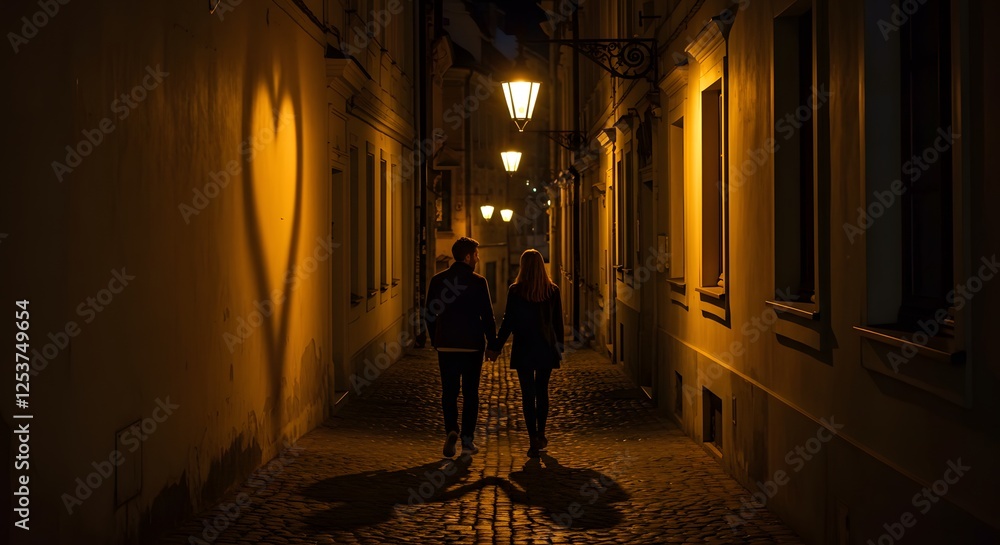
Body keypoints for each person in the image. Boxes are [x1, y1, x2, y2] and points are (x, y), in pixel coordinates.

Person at [486, 249, 564, 458]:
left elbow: (508, 322)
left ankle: (532, 439)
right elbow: (558, 323)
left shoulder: (516, 291)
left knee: (528, 395)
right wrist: (560, 349)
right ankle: (541, 433)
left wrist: (496, 346)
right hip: (546, 348)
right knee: (542, 392)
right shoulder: (552, 291)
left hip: (524, 348)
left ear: (523, 267)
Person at [425, 237, 497, 457]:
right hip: (471, 346)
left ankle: (451, 431)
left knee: (449, 392)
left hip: (446, 345)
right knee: (470, 393)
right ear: (467, 257)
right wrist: (492, 344)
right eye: (476, 254)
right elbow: (487, 316)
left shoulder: (438, 280)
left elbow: (429, 314)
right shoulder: (478, 281)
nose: (478, 258)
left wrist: (436, 339)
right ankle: (467, 440)